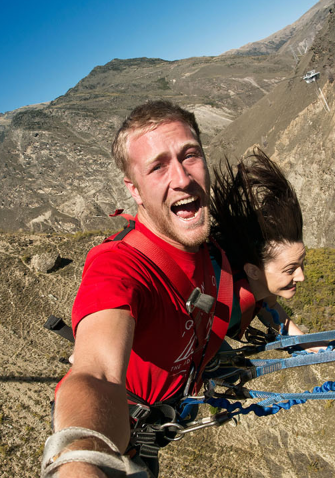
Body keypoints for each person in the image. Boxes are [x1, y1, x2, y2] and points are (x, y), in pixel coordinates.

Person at [43, 101, 234, 478]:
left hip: (153, 424)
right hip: (117, 431)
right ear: (135, 190)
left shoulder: (210, 248)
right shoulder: (119, 265)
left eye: (189, 155)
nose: (181, 178)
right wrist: (80, 462)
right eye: (158, 166)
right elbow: (96, 374)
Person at [209, 146, 315, 345]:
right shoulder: (220, 297)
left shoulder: (257, 284)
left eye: (301, 265)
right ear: (253, 271)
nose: (301, 276)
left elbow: (270, 308)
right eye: (290, 269)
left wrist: (311, 344)